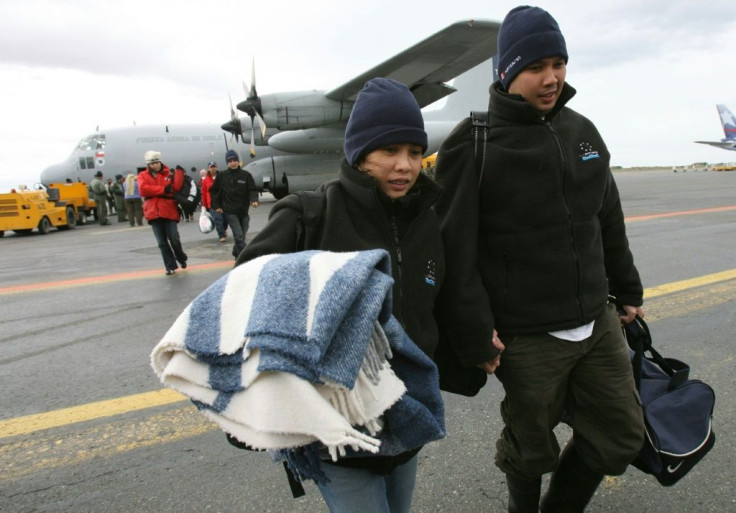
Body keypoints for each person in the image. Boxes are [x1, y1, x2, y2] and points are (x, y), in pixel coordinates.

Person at [433, 6, 646, 513]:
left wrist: (628, 291)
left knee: (620, 437)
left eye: (559, 63)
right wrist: (475, 332)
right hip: (525, 336)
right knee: (532, 450)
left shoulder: (583, 132)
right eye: (536, 67)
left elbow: (607, 219)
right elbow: (453, 251)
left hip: (596, 324)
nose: (551, 78)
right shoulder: (474, 143)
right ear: (506, 72)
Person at [234, 78, 451, 513]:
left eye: (413, 151)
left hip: (405, 415)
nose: (405, 165)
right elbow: (243, 292)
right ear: (357, 153)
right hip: (334, 422)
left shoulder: (425, 219)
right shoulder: (309, 213)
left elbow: (437, 302)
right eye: (388, 151)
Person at [138, 150, 188, 275]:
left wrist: (180, 173)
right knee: (162, 242)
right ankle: (170, 266)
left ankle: (181, 257)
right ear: (148, 164)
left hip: (169, 209)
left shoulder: (169, 173)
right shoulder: (143, 175)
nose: (155, 165)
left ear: (160, 161)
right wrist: (163, 189)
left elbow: (176, 188)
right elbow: (143, 190)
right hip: (153, 212)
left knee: (174, 238)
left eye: (156, 162)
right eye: (152, 163)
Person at [210, 150, 258, 258]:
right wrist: (217, 206)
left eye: (235, 160)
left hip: (243, 211)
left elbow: (252, 189)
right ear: (227, 162)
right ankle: (245, 257)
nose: (233, 163)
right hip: (230, 211)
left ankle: (236, 252)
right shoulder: (222, 176)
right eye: (230, 161)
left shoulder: (246, 175)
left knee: (242, 235)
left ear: (238, 161)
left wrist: (254, 199)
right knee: (239, 235)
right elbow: (213, 191)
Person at [200, 161, 228, 242]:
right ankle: (221, 236)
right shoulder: (205, 180)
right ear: (208, 168)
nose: (213, 168)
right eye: (211, 167)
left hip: (223, 202)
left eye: (214, 166)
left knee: (225, 218)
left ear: (216, 167)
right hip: (212, 203)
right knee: (218, 219)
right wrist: (204, 205)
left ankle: (224, 229)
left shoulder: (222, 177)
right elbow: (204, 193)